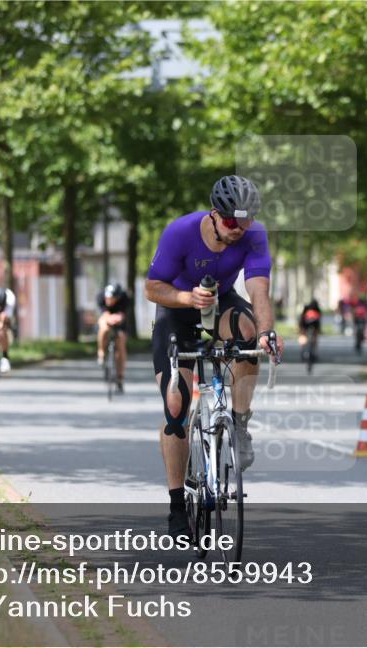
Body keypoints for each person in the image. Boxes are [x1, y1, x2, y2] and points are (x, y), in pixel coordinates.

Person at [145, 175, 283, 538]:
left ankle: (238, 424)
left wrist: (268, 332)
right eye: (233, 221)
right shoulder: (181, 232)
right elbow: (152, 287)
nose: (241, 228)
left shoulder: (254, 235)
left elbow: (258, 289)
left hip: (219, 303)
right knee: (176, 405)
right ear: (215, 215)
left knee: (248, 334)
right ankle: (177, 505)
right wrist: (186, 298)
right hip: (177, 306)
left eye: (247, 220)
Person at [97, 282, 130, 392]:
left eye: (111, 298)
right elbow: (103, 314)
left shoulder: (125, 298)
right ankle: (101, 351)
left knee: (121, 341)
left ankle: (120, 377)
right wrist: (109, 318)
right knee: (104, 329)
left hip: (119, 319)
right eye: (107, 298)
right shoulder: (101, 296)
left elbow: (123, 315)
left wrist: (119, 318)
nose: (108, 300)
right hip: (106, 316)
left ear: (117, 297)